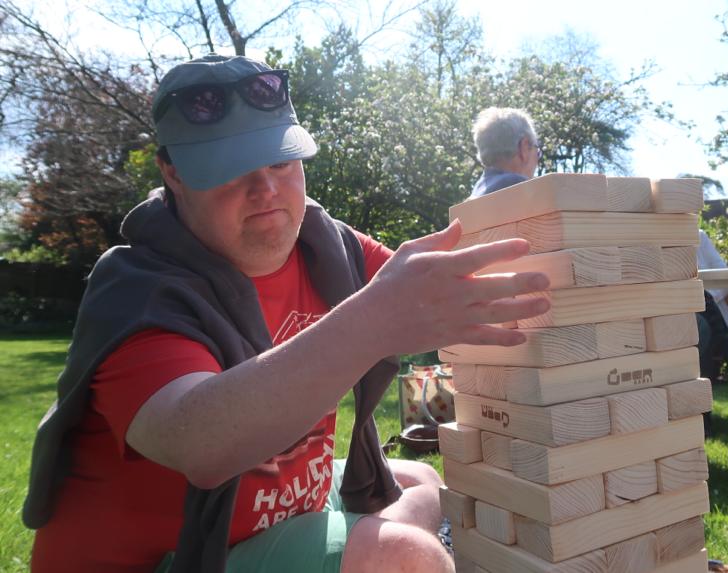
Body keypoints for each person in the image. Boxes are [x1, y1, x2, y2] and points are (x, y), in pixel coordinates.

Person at [22, 54, 552, 572]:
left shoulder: (327, 246)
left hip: (276, 513)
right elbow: (200, 443)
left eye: (280, 160)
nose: (266, 189)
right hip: (173, 555)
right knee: (402, 555)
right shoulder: (141, 291)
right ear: (173, 172)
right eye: (229, 169)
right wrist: (373, 322)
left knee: (420, 481)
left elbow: (448, 296)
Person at [468, 107, 540, 198]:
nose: (537, 161)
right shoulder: (517, 186)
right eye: (537, 152)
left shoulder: (475, 193)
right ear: (524, 147)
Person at [696, 229, 728, 381]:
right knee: (700, 326)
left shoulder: (699, 236)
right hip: (680, 307)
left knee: (703, 300)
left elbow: (725, 276)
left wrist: (709, 296)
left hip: (708, 306)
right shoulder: (655, 237)